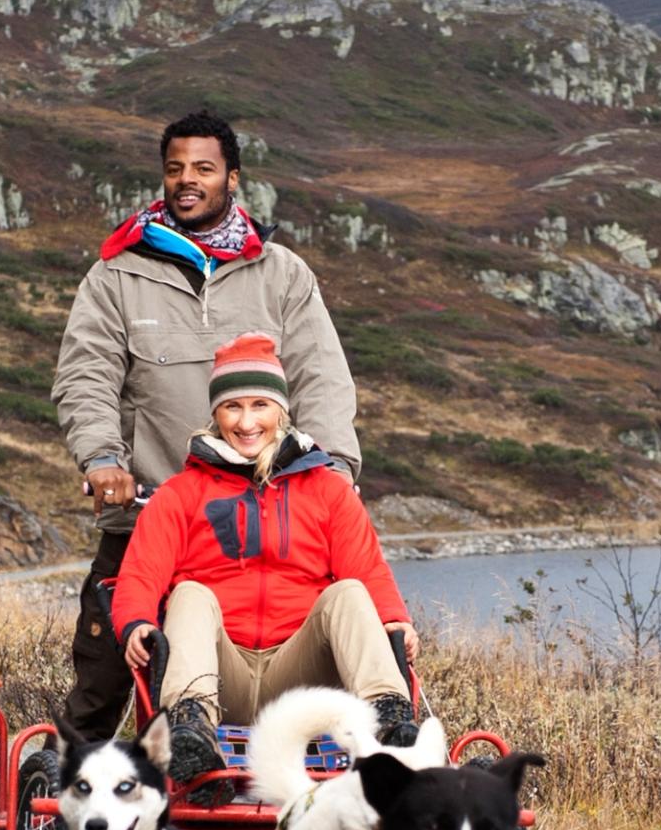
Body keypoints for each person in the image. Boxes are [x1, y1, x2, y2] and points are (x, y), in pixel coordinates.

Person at [52, 109, 359, 748]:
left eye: (203, 169)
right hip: (149, 516)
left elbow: (322, 381)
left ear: (233, 179)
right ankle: (56, 822)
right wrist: (103, 458)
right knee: (103, 686)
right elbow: (87, 376)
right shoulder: (117, 275)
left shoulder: (282, 276)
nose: (186, 181)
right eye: (175, 169)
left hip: (269, 518)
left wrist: (335, 471)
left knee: (313, 676)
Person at [110, 331, 415, 779]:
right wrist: (135, 621)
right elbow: (141, 573)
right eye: (233, 406)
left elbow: (367, 569)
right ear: (216, 414)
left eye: (260, 405)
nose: (247, 421)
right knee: (190, 593)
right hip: (219, 675)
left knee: (349, 592)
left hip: (302, 675)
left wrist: (395, 618)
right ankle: (191, 728)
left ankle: (388, 719)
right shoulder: (180, 494)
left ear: (281, 411)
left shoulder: (329, 490)